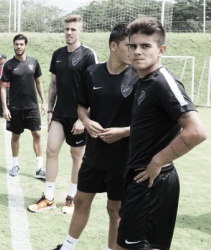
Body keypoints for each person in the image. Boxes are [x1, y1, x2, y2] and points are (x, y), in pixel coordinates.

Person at [115, 18, 207, 250]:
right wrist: (125, 132)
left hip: (153, 182)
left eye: (145, 46)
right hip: (140, 179)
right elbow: (152, 125)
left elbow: (196, 131)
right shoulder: (143, 81)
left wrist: (158, 161)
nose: (137, 51)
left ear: (161, 50)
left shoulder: (163, 82)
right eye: (133, 45)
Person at [51, 23, 139, 250]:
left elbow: (148, 122)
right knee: (81, 201)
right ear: (113, 46)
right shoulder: (93, 73)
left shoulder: (139, 77)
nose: (134, 52)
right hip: (95, 153)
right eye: (129, 46)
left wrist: (123, 132)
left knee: (114, 210)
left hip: (123, 158)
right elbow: (82, 106)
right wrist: (87, 121)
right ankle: (68, 247)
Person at [28, 14, 98, 215]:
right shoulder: (57, 54)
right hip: (59, 113)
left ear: (80, 31)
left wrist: (83, 119)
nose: (69, 32)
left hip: (79, 115)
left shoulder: (88, 55)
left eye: (73, 29)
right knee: (51, 151)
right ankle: (49, 198)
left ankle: (71, 198)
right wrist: (49, 109)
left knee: (77, 156)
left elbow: (94, 89)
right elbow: (54, 84)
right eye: (66, 29)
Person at [1, 34, 47, 177]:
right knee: (16, 136)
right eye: (16, 44)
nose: (19, 47)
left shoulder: (34, 62)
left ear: (26, 45)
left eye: (21, 44)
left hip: (32, 106)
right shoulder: (8, 65)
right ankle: (15, 165)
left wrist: (44, 102)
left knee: (37, 134)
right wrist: (4, 107)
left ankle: (40, 168)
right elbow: (2, 87)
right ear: (13, 45)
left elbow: (39, 82)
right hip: (15, 107)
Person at [0, 54, 9, 118]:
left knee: (7, 99)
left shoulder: (8, 66)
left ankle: (8, 112)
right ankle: (0, 113)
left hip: (7, 86)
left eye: (1, 58)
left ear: (5, 59)